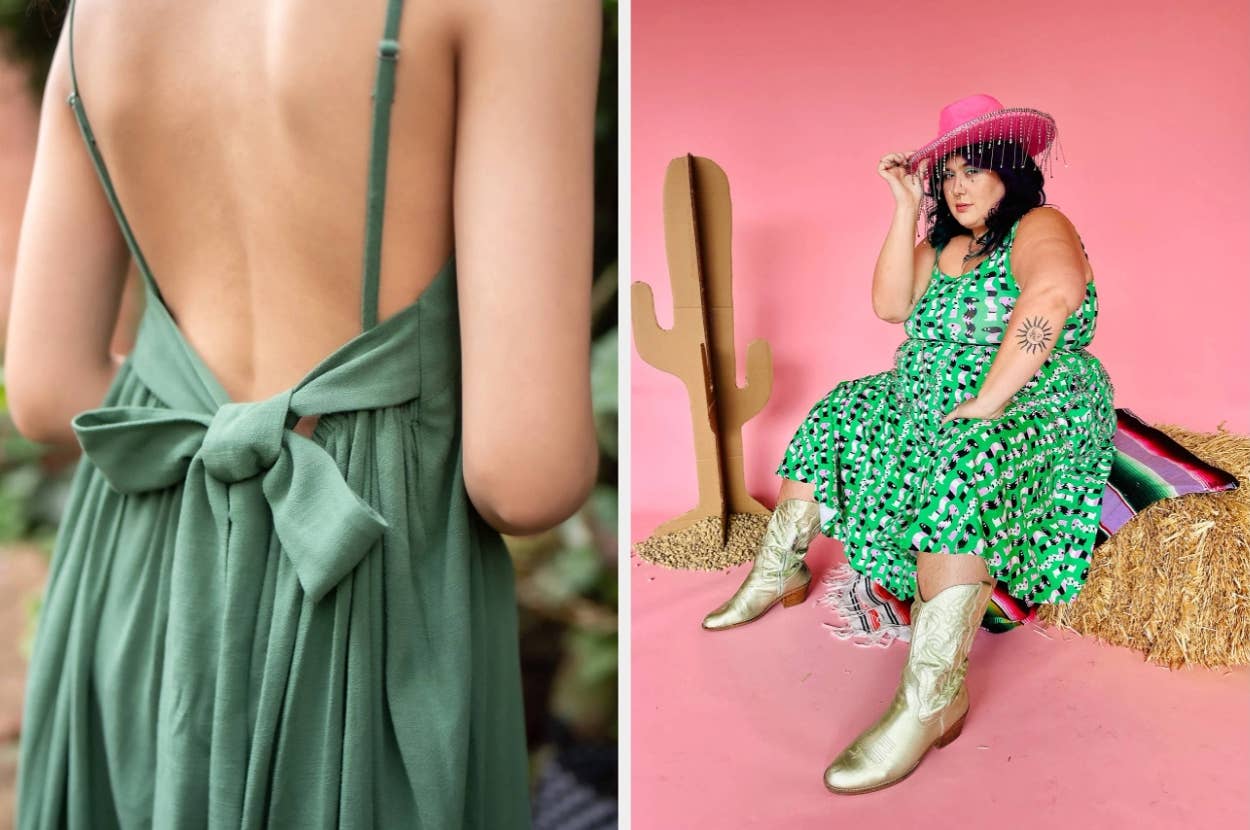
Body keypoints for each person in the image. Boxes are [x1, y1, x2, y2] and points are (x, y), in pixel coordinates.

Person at [6, 0, 600, 826]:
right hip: (361, 575)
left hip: (137, 586)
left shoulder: (95, 16)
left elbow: (44, 391)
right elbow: (526, 475)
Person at [699, 94, 1116, 794]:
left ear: (1011, 172)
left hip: (1029, 390)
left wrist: (988, 398)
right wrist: (901, 207)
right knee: (842, 408)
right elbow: (891, 306)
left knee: (965, 460)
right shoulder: (941, 244)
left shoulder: (1041, 225)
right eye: (945, 175)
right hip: (927, 387)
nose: (956, 186)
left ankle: (931, 698)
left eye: (973, 170)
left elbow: (1051, 300)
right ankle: (781, 568)